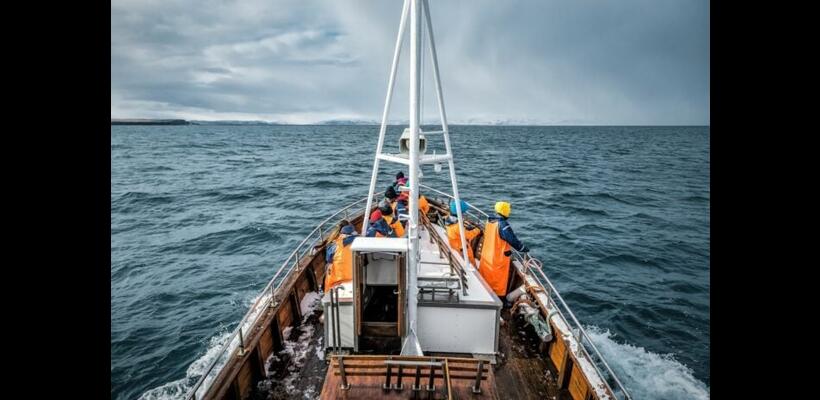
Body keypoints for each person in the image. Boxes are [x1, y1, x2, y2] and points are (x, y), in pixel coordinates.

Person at [479, 201, 529, 297]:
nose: (509, 212)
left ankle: (485, 292)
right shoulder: (503, 225)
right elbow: (512, 240)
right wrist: (522, 248)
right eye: (508, 210)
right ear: (505, 211)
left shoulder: (489, 220)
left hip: (487, 254)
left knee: (487, 276)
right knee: (498, 280)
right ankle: (499, 298)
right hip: (498, 258)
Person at [324, 223, 359, 292]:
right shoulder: (360, 241)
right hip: (356, 278)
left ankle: (327, 292)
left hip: (338, 279)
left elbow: (328, 259)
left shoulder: (334, 245)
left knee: (328, 269)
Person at [445, 199, 481, 266]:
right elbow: (468, 235)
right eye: (463, 212)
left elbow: (457, 231)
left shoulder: (448, 219)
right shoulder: (457, 226)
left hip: (454, 245)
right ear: (460, 213)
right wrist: (477, 230)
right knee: (472, 263)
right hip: (462, 249)